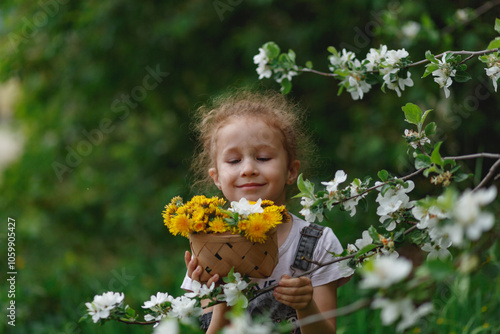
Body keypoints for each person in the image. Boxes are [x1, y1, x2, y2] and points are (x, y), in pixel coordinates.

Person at [181, 89, 353, 333]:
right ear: (217, 178)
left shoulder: (318, 243)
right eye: (233, 161)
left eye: (263, 157)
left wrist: (306, 307)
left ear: (291, 171)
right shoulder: (209, 248)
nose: (248, 169)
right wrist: (220, 303)